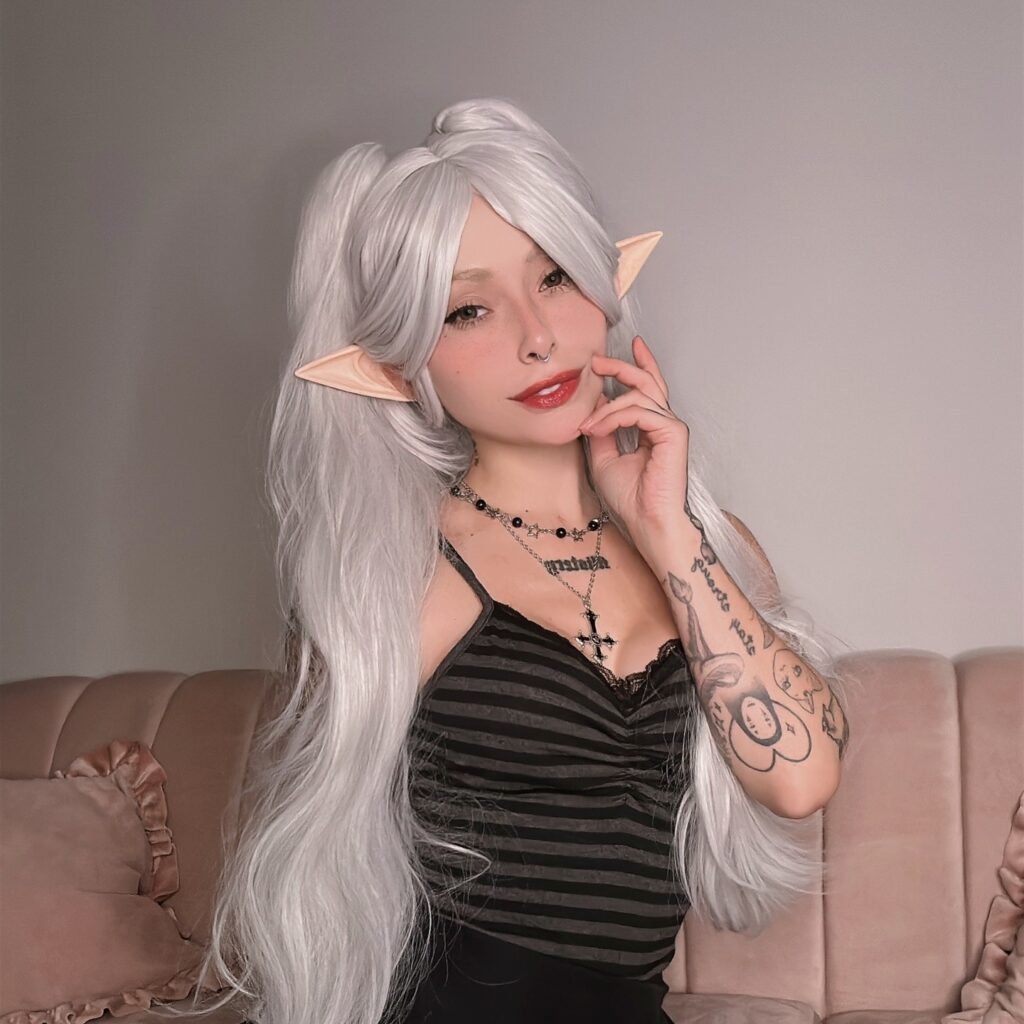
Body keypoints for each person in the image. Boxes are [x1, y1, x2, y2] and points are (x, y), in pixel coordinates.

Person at [155, 96, 857, 1024]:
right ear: (400, 365)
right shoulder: (399, 573)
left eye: (556, 277)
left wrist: (668, 533)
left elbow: (799, 781)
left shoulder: (699, 545)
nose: (537, 335)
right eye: (469, 310)